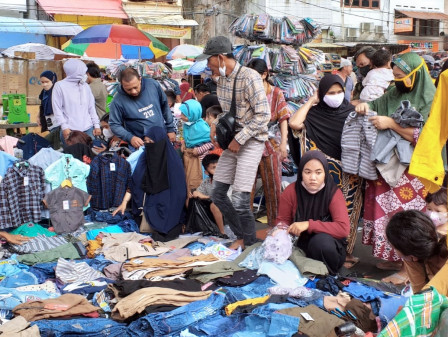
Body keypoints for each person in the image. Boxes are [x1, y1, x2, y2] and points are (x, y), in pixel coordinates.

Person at [356, 52, 436, 283]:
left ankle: (408, 270)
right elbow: (376, 104)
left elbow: (429, 138)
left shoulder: (432, 100)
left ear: (415, 75)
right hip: (388, 166)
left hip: (412, 171)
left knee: (406, 218)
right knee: (387, 214)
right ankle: (394, 256)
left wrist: (391, 123)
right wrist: (365, 106)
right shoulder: (395, 92)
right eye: (395, 76)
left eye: (402, 77)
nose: (397, 81)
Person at [197, 35, 270, 249]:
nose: (208, 65)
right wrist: (215, 126)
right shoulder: (222, 81)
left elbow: (264, 115)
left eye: (209, 60)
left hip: (251, 141)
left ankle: (248, 243)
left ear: (220, 58)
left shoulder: (250, 77)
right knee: (218, 193)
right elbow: (227, 112)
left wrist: (239, 138)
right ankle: (243, 236)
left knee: (239, 198)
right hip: (231, 142)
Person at [289, 74, 363, 268]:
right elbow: (295, 124)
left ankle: (345, 252)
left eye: (339, 92)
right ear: (322, 94)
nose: (336, 96)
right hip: (322, 172)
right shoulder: (313, 114)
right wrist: (312, 100)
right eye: (331, 93)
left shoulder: (352, 111)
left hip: (350, 172)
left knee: (347, 211)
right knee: (320, 209)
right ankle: (318, 247)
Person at [276, 150, 350, 275]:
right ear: (301, 173)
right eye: (308, 172)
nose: (313, 178)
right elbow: (282, 220)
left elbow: (343, 229)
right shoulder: (291, 191)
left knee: (321, 243)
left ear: (325, 173)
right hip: (299, 246)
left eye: (318, 172)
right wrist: (279, 230)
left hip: (327, 250)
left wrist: (309, 225)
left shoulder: (333, 193)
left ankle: (328, 275)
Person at [247, 58, 290, 227]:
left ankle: (276, 226)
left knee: (273, 186)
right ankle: (246, 228)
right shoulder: (247, 92)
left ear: (264, 74)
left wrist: (283, 144)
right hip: (250, 143)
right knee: (246, 187)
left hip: (271, 143)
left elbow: (283, 119)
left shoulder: (276, 93)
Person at [109, 68, 175, 150]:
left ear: (140, 79)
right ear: (122, 84)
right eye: (128, 89)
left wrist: (170, 129)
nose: (133, 91)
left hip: (160, 137)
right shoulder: (117, 101)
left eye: (135, 87)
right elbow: (114, 124)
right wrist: (130, 137)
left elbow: (164, 105)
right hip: (140, 144)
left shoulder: (153, 85)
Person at [386, 210, 448, 295]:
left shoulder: (410, 255)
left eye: (394, 247)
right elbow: (419, 293)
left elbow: (421, 296)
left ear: (413, 257)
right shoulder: (411, 256)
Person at [52, 59, 101, 145]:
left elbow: (91, 107)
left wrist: (96, 125)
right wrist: (64, 127)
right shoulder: (60, 86)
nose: (85, 75)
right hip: (70, 130)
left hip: (88, 129)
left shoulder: (85, 86)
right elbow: (57, 109)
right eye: (82, 72)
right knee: (73, 156)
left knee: (89, 156)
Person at [179, 99, 213, 192]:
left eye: (184, 114)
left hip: (200, 161)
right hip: (189, 158)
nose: (181, 116)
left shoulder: (202, 127)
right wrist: (184, 143)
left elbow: (212, 142)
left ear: (192, 114)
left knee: (198, 181)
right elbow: (187, 138)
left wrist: (199, 150)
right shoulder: (187, 125)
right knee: (188, 180)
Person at [189, 154, 225, 235]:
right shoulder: (207, 182)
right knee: (190, 199)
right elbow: (198, 192)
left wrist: (204, 196)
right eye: (213, 168)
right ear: (206, 172)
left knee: (214, 205)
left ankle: (222, 232)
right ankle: (193, 227)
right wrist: (193, 193)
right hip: (214, 208)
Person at [38, 70, 61, 149]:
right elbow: (42, 106)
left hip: (58, 123)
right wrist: (39, 117)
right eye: (42, 82)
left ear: (53, 80)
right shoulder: (44, 92)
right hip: (50, 123)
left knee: (57, 144)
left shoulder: (58, 91)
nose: (44, 84)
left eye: (47, 81)